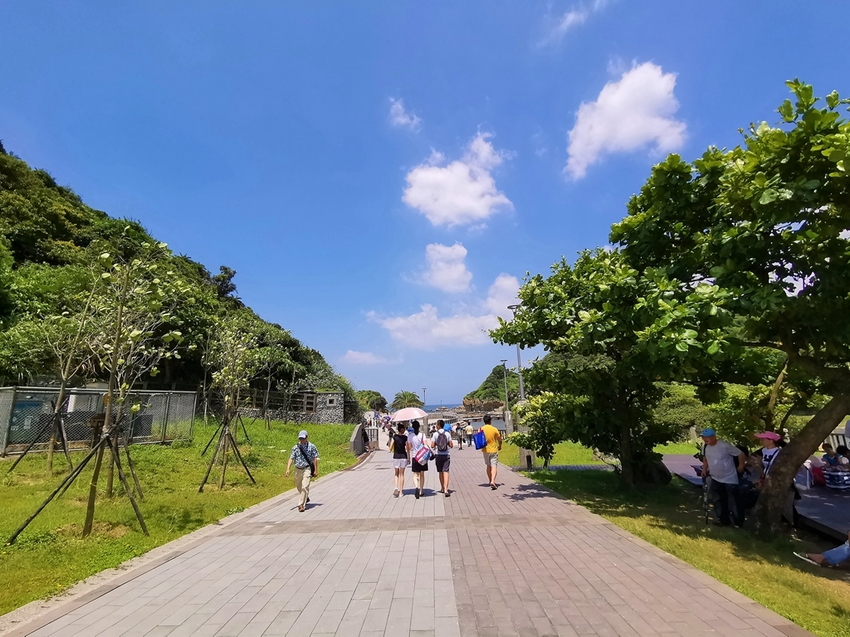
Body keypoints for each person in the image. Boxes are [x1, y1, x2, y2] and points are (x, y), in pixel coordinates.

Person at [700, 427, 746, 527]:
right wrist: (704, 469)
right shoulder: (705, 446)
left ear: (714, 436)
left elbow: (740, 454)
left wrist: (741, 466)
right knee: (718, 500)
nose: (705, 439)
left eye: (707, 437)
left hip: (729, 478)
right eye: (703, 437)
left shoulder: (724, 446)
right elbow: (705, 458)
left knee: (733, 501)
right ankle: (723, 520)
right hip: (715, 478)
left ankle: (738, 523)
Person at [285, 430, 319, 513]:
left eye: (303, 438)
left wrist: (315, 470)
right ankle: (305, 497)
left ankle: (301, 505)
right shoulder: (295, 447)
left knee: (305, 486)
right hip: (297, 469)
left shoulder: (312, 446)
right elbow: (291, 458)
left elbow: (315, 459)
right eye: (300, 438)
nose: (302, 440)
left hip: (307, 468)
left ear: (307, 438)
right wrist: (288, 469)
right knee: (298, 486)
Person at [431, 420, 453, 496]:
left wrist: (438, 444)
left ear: (438, 425)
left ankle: (442, 488)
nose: (436, 425)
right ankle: (446, 489)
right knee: (446, 472)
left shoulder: (435, 434)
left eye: (436, 424)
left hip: (438, 454)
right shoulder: (447, 434)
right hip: (446, 454)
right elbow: (451, 445)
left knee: (440, 472)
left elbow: (432, 446)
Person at [480, 414, 502, 490]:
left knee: (488, 465)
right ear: (490, 421)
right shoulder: (494, 429)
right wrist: (500, 446)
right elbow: (499, 439)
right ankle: (493, 481)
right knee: (494, 465)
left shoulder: (481, 429)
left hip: (485, 450)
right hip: (493, 450)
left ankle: (490, 481)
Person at [389, 422, 410, 497]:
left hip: (396, 457)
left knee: (396, 473)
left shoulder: (394, 437)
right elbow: (408, 448)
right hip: (403, 457)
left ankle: (395, 487)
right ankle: (401, 492)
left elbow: (390, 447)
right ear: (402, 429)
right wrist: (409, 457)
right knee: (402, 474)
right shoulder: (405, 438)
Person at [408, 421, 429, 499]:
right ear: (419, 426)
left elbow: (410, 448)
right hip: (422, 457)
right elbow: (426, 445)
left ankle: (416, 487)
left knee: (415, 474)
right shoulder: (422, 435)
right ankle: (421, 491)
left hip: (415, 457)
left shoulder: (410, 436)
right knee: (422, 474)